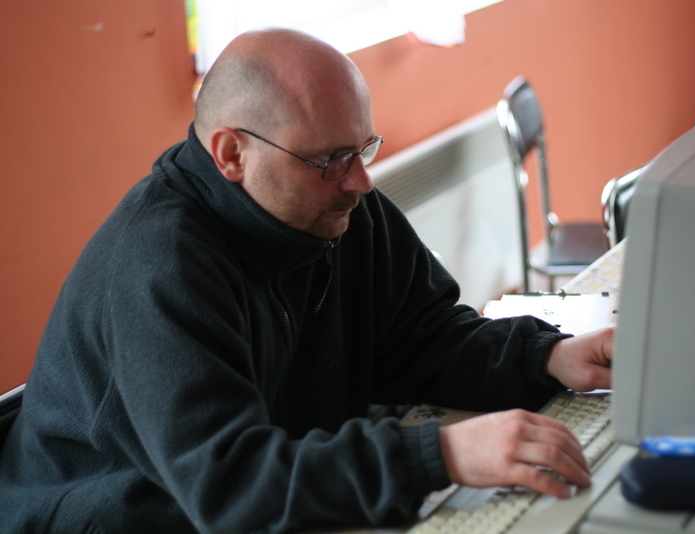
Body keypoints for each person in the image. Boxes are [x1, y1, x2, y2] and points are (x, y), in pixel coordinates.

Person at [0, 28, 613, 533]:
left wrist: (549, 357)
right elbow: (230, 486)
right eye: (330, 160)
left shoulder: (335, 207)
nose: (360, 182)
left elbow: (424, 337)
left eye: (363, 148)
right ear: (232, 155)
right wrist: (444, 453)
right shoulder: (159, 267)